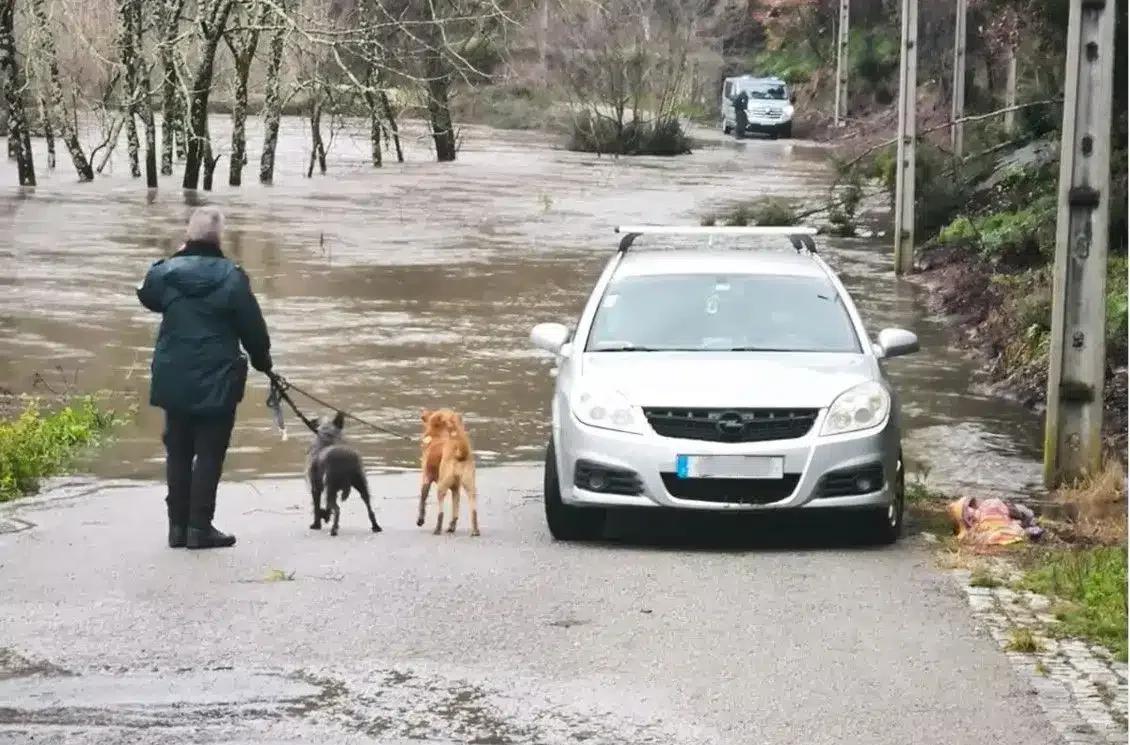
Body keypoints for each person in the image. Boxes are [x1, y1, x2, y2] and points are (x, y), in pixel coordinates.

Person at [137, 206, 273, 550]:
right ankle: (199, 528)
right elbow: (253, 330)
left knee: (178, 452)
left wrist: (174, 257)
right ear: (219, 238)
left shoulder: (166, 273)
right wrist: (263, 363)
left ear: (187, 236)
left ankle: (176, 529)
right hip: (219, 379)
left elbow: (146, 295)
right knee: (210, 453)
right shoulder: (232, 278)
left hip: (174, 377)